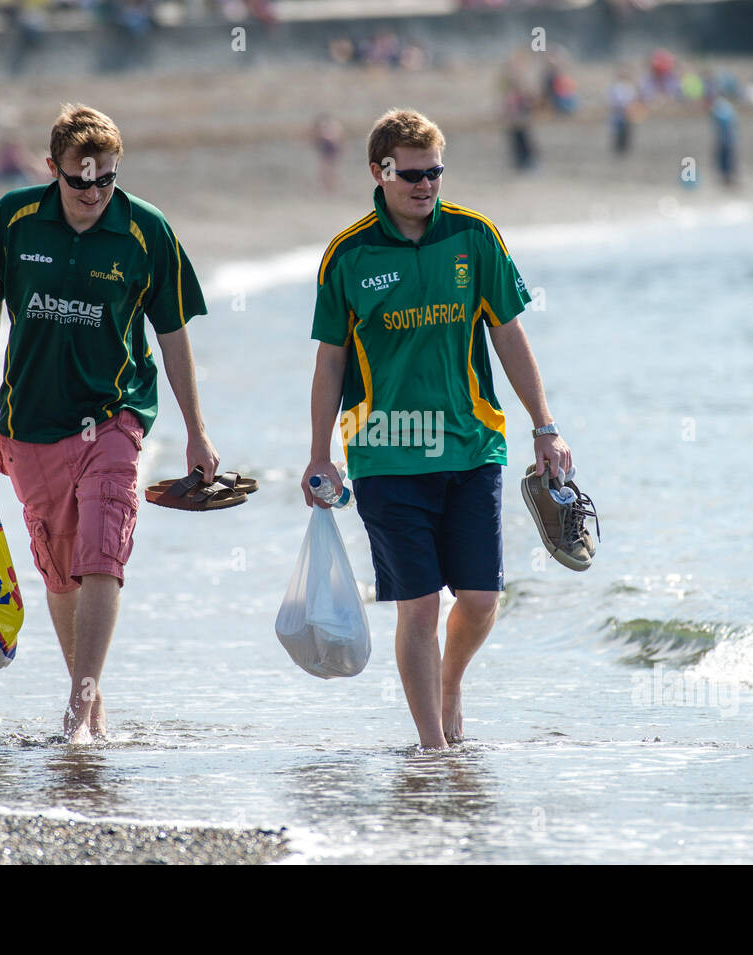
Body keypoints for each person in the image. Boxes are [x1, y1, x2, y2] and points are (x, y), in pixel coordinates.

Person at [302, 108, 573, 750]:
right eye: (413, 174)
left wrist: (545, 426)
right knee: (419, 606)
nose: (426, 185)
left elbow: (508, 332)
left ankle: (450, 685)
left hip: (471, 445)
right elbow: (331, 359)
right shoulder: (347, 255)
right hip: (385, 456)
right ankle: (432, 750)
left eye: (436, 172)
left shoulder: (474, 237)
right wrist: (320, 456)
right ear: (380, 172)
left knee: (480, 600)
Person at [0, 104, 220, 744]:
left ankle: (79, 705)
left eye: (106, 179)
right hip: (30, 425)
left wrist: (196, 430)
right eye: (80, 181)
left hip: (114, 416)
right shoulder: (12, 220)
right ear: (53, 170)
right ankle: (92, 709)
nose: (95, 193)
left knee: (105, 551)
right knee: (63, 572)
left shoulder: (145, 231)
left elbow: (174, 330)